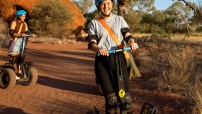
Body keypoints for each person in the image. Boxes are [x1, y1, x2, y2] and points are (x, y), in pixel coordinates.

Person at [87, 0, 139, 113]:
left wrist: (131, 42)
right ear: (98, 6)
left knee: (126, 100)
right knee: (112, 100)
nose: (106, 6)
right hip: (102, 61)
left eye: (108, 3)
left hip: (119, 59)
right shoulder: (94, 23)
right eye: (102, 4)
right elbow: (92, 43)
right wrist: (99, 49)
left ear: (112, 5)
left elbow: (127, 34)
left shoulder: (119, 20)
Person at [8, 10, 30, 79]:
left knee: (21, 58)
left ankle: (19, 73)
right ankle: (11, 73)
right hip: (15, 41)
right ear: (19, 16)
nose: (24, 17)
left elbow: (27, 32)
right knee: (13, 57)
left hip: (22, 42)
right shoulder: (14, 22)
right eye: (23, 16)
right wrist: (20, 34)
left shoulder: (25, 24)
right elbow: (11, 33)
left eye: (25, 16)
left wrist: (28, 33)